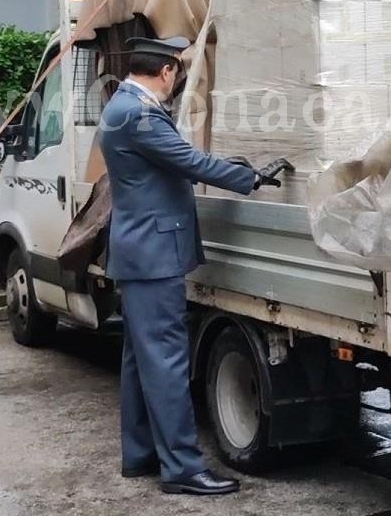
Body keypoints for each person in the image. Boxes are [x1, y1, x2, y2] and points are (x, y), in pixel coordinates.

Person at [98, 36, 274, 496]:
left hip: (142, 253)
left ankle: (140, 454)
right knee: (166, 364)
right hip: (152, 256)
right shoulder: (139, 114)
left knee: (141, 361)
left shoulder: (124, 104)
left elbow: (168, 165)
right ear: (168, 72)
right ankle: (181, 468)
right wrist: (248, 177)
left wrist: (230, 165)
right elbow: (187, 161)